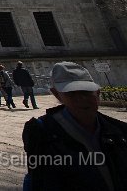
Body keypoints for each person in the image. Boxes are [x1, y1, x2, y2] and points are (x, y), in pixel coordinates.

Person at [22, 61, 127, 190]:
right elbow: (39, 179)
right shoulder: (42, 132)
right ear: (57, 94)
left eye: (86, 92)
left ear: (97, 93)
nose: (81, 99)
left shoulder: (119, 130)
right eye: (71, 94)